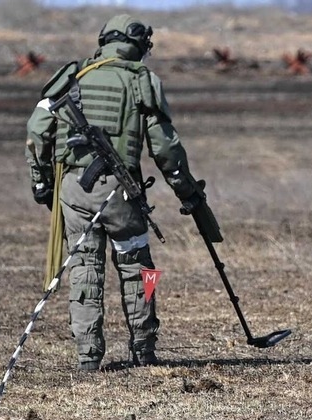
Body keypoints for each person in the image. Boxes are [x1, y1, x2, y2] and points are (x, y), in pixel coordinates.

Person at [25, 14, 204, 371]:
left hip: (74, 192)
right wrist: (186, 191)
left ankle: (88, 356)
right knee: (140, 268)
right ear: (138, 45)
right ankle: (144, 349)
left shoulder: (71, 78)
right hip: (121, 194)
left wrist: (43, 183)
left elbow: (36, 131)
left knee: (83, 267)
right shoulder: (142, 82)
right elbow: (166, 149)